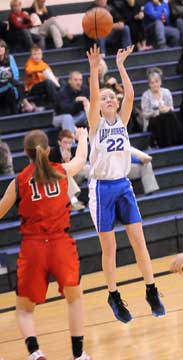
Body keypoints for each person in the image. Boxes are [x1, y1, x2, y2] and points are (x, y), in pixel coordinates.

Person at [87, 44, 165, 323]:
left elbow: (130, 94)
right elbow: (94, 98)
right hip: (101, 189)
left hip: (122, 186)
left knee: (138, 240)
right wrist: (95, 69)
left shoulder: (122, 120)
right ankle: (114, 295)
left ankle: (151, 289)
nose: (108, 99)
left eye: (112, 97)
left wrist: (121, 65)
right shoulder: (96, 124)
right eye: (105, 97)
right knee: (110, 248)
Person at [0, 128, 90, 360]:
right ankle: (78, 355)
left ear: (25, 153)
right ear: (48, 149)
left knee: (24, 309)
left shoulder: (19, 182)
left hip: (33, 247)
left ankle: (35, 352)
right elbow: (81, 159)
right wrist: (82, 138)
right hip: (61, 244)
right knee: (75, 299)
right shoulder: (60, 171)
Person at [141, 67, 183, 147]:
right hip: (152, 121)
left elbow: (171, 108)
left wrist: (166, 109)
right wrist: (157, 112)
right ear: (149, 84)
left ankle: (174, 143)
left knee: (169, 115)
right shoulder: (145, 95)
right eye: (152, 83)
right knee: (163, 117)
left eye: (156, 82)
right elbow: (145, 115)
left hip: (166, 119)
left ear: (160, 82)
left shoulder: (166, 92)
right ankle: (165, 144)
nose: (154, 85)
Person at [49, 129, 86, 211]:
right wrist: (66, 161)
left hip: (74, 175)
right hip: (60, 181)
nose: (67, 145)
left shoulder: (73, 150)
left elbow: (78, 165)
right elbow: (55, 171)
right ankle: (74, 201)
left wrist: (68, 161)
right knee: (64, 175)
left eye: (69, 143)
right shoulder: (53, 153)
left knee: (88, 168)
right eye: (65, 142)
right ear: (59, 142)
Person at [25, 44, 60, 109]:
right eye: (34, 54)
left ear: (41, 55)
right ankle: (55, 105)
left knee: (60, 81)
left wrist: (55, 79)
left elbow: (51, 75)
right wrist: (41, 69)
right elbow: (29, 70)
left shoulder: (44, 64)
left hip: (45, 86)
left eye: (38, 54)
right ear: (31, 56)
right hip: (33, 88)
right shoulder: (29, 63)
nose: (37, 56)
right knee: (48, 82)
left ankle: (58, 102)